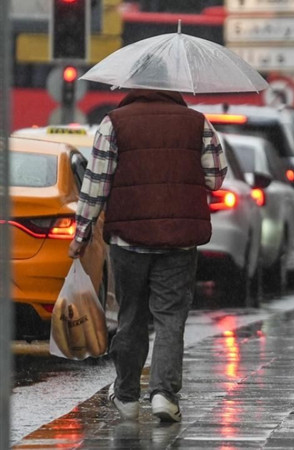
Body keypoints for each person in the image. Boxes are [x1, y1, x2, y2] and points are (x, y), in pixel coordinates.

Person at [68, 89, 227, 422]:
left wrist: (80, 235)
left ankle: (126, 395)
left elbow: (96, 183)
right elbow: (215, 177)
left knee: (131, 316)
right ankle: (163, 394)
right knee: (170, 318)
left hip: (129, 242)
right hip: (179, 242)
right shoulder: (197, 123)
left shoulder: (114, 123)